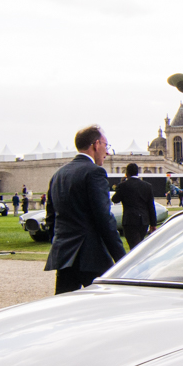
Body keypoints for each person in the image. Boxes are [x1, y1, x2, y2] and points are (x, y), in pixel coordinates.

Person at [46, 125, 125, 294]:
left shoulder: (58, 174)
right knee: (102, 307)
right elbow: (104, 218)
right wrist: (122, 258)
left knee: (63, 310)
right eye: (106, 145)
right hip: (91, 255)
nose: (107, 152)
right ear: (96, 144)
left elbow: (51, 217)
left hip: (65, 255)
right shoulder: (95, 173)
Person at [111, 162, 158, 252]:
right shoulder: (147, 186)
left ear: (127, 173)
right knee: (140, 244)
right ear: (137, 172)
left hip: (130, 220)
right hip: (144, 221)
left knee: (134, 247)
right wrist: (153, 224)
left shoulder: (123, 185)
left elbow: (115, 199)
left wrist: (120, 185)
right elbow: (151, 206)